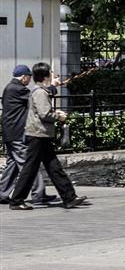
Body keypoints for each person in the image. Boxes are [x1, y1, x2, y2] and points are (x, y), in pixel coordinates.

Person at [7, 62, 89, 210]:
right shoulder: (39, 92)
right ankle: (17, 200)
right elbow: (44, 113)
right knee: (30, 168)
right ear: (46, 76)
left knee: (54, 167)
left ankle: (69, 197)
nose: (52, 74)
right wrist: (59, 116)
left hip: (41, 134)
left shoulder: (40, 90)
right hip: (37, 134)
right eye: (50, 73)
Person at [1, 65, 57, 206]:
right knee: (29, 164)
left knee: (12, 164)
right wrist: (52, 86)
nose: (30, 80)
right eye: (29, 77)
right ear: (24, 76)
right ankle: (38, 195)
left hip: (10, 132)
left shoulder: (9, 88)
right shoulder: (18, 89)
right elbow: (37, 96)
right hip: (18, 132)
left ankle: (2, 193)